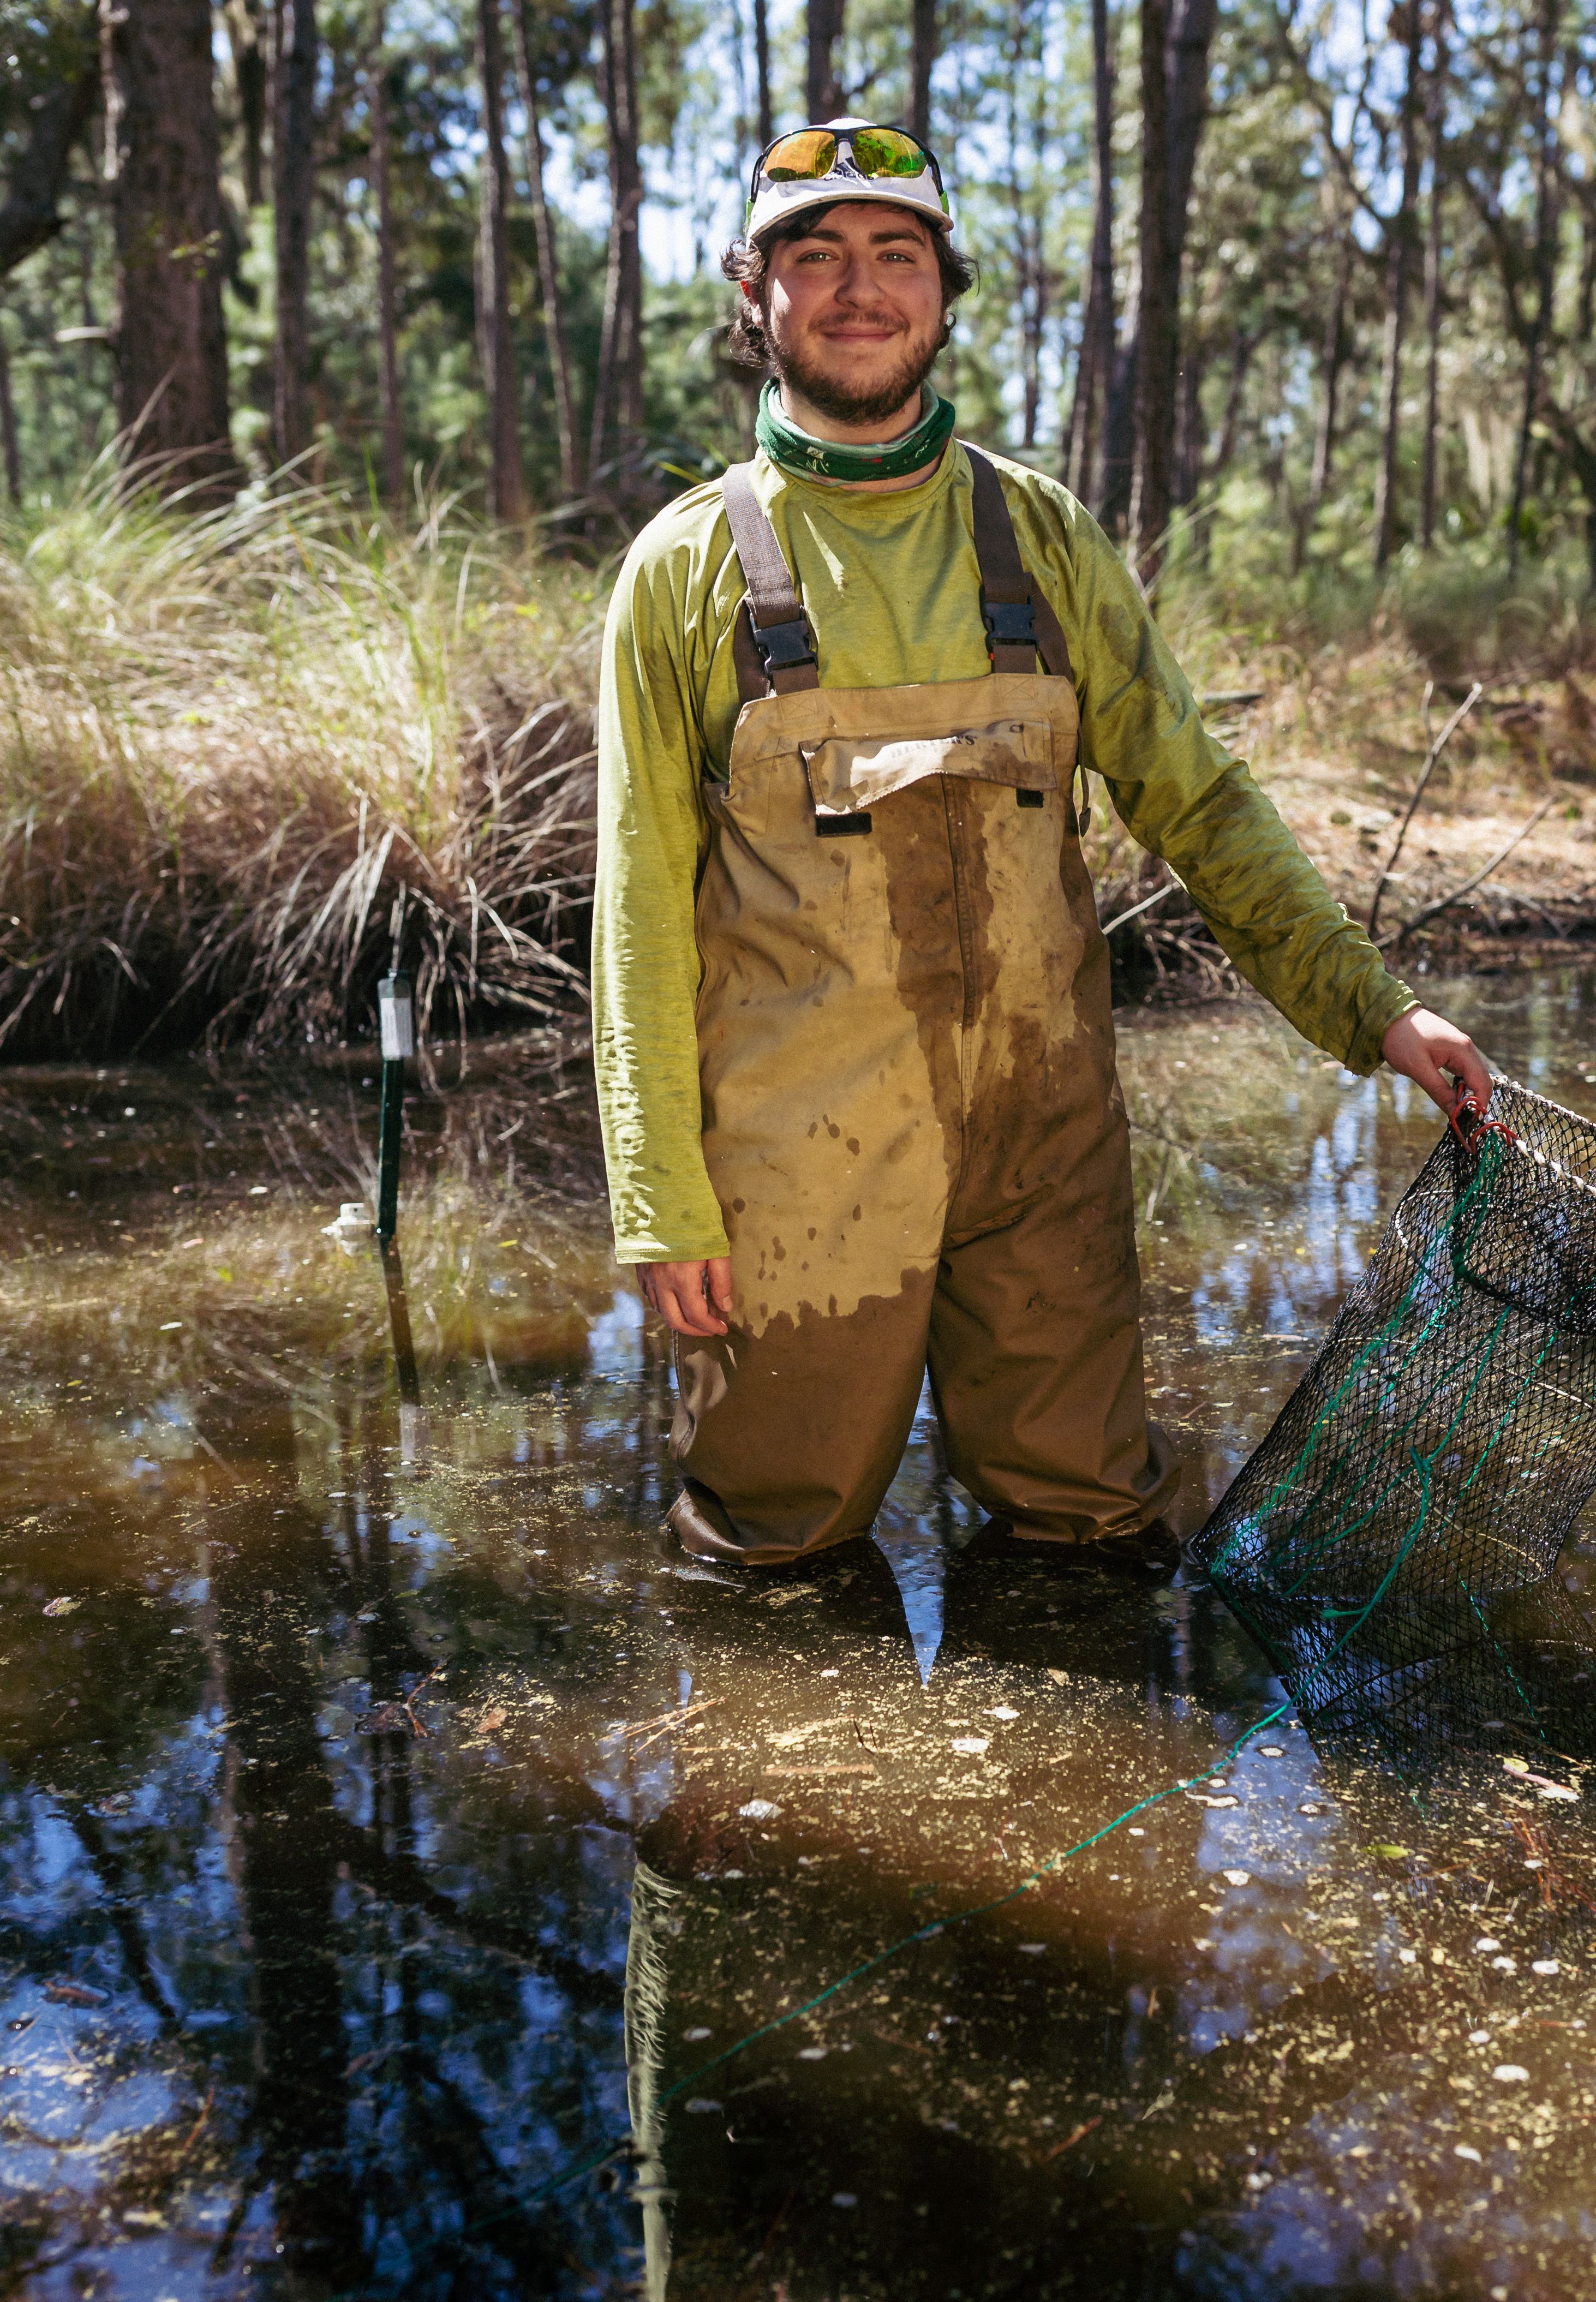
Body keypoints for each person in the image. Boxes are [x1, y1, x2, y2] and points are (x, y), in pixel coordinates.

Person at [592, 116, 1493, 1566]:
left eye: (895, 255)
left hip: (1042, 1153)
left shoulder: (1044, 536)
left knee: (1091, 1533)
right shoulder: (684, 570)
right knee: (770, 1555)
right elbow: (634, 913)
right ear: (749, 292)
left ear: (946, 292)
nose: (859, 288)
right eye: (814, 258)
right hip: (795, 1183)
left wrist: (1374, 1009)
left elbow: (1195, 799)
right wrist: (663, 1201)